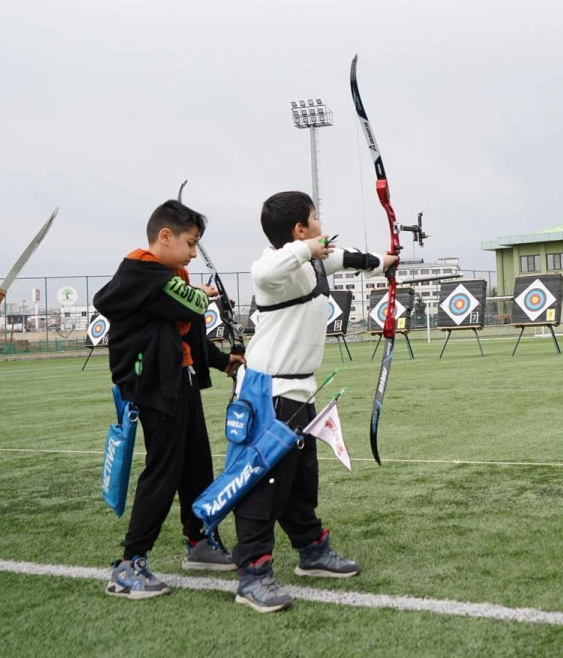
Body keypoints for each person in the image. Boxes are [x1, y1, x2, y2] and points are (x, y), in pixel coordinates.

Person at [231, 191, 395, 612]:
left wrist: (383, 260)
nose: (321, 224)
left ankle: (311, 551)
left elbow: (346, 258)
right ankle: (252, 574)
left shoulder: (310, 262)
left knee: (301, 482)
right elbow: (266, 269)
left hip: (300, 392)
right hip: (268, 395)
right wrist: (308, 249)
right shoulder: (273, 269)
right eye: (314, 219)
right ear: (299, 230)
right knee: (262, 486)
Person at [94, 199, 244, 598]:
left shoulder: (169, 277)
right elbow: (193, 304)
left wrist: (220, 360)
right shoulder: (142, 273)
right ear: (165, 237)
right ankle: (129, 564)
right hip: (155, 385)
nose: (194, 253)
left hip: (181, 378)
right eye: (190, 243)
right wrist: (200, 292)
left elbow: (188, 333)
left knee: (196, 463)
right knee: (164, 469)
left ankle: (198, 541)